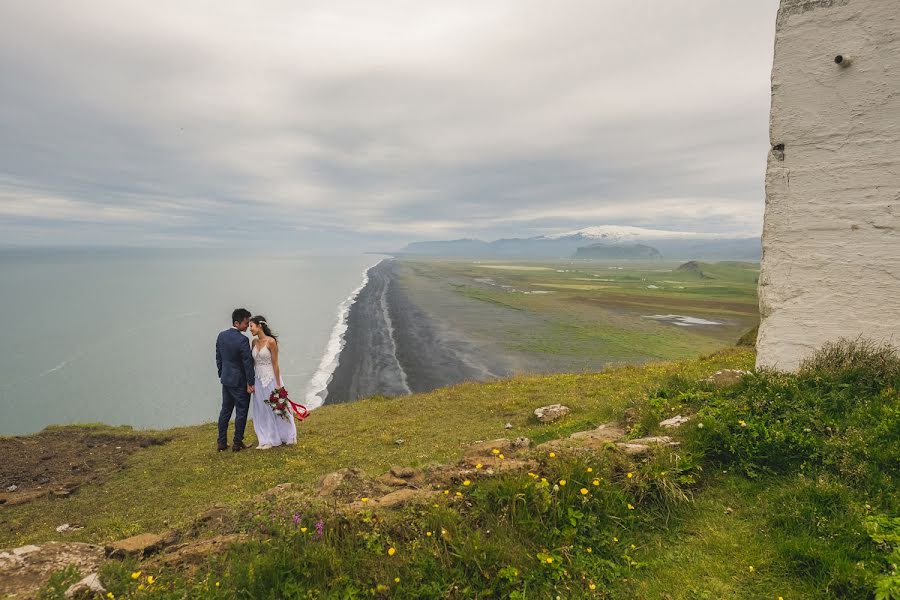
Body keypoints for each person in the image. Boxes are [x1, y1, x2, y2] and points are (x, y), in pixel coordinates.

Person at [248, 315, 297, 449]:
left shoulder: (271, 342)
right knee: (261, 408)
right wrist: (250, 382)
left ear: (259, 326)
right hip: (258, 379)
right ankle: (266, 438)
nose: (250, 329)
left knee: (275, 407)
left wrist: (278, 384)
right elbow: (252, 364)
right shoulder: (253, 342)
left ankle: (285, 435)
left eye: (251, 326)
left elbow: (275, 364)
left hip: (271, 378)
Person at [215, 308, 255, 452]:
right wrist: (251, 383)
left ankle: (221, 443)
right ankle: (237, 443)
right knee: (241, 411)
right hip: (239, 382)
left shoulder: (221, 336)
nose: (247, 326)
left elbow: (218, 357)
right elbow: (247, 364)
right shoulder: (242, 340)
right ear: (237, 323)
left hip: (226, 380)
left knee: (225, 411)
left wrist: (221, 373)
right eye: (246, 323)